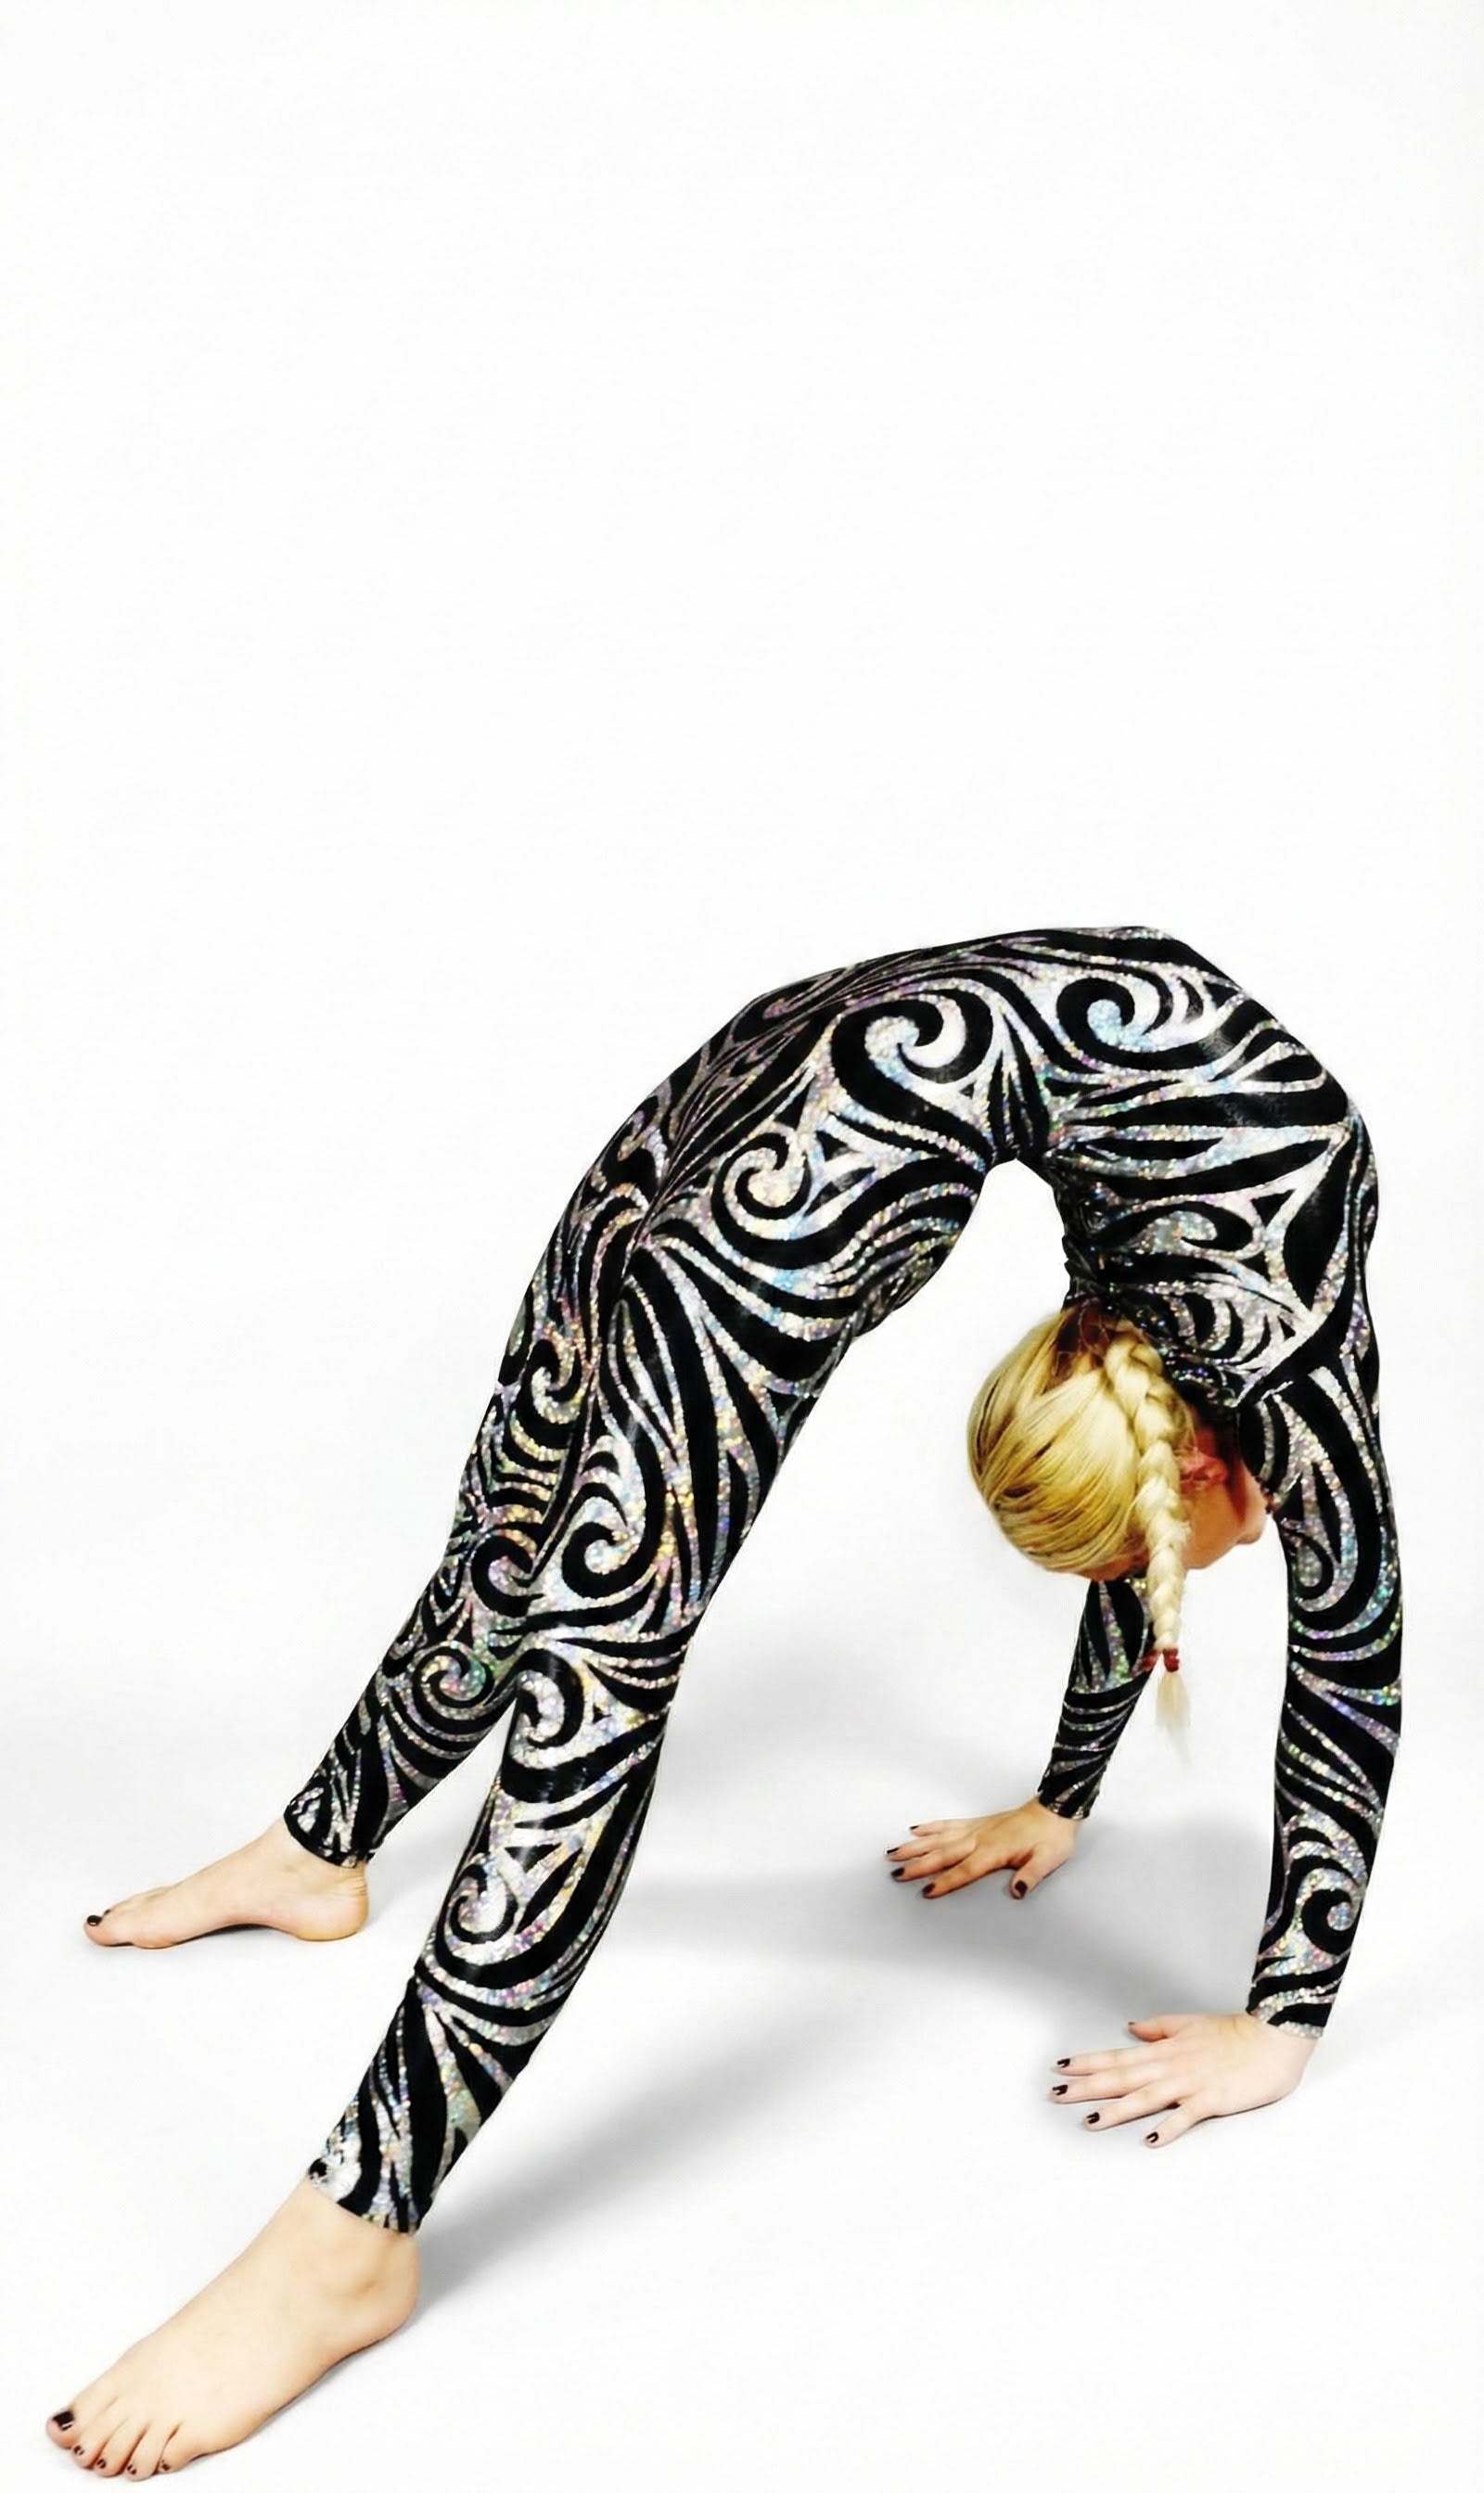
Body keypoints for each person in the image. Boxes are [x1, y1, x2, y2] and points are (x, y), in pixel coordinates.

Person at [46, 923, 1402, 2477]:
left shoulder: (1204, 1329)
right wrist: (1283, 2028)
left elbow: (1156, 1538)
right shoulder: (1277, 1368)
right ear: (1208, 1465)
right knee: (598, 1648)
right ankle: (350, 2239)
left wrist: (1061, 1802)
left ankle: (319, 1859)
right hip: (826, 1128)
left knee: (535, 1527)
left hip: (828, 1044)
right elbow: (1353, 1658)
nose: (1174, 1574)